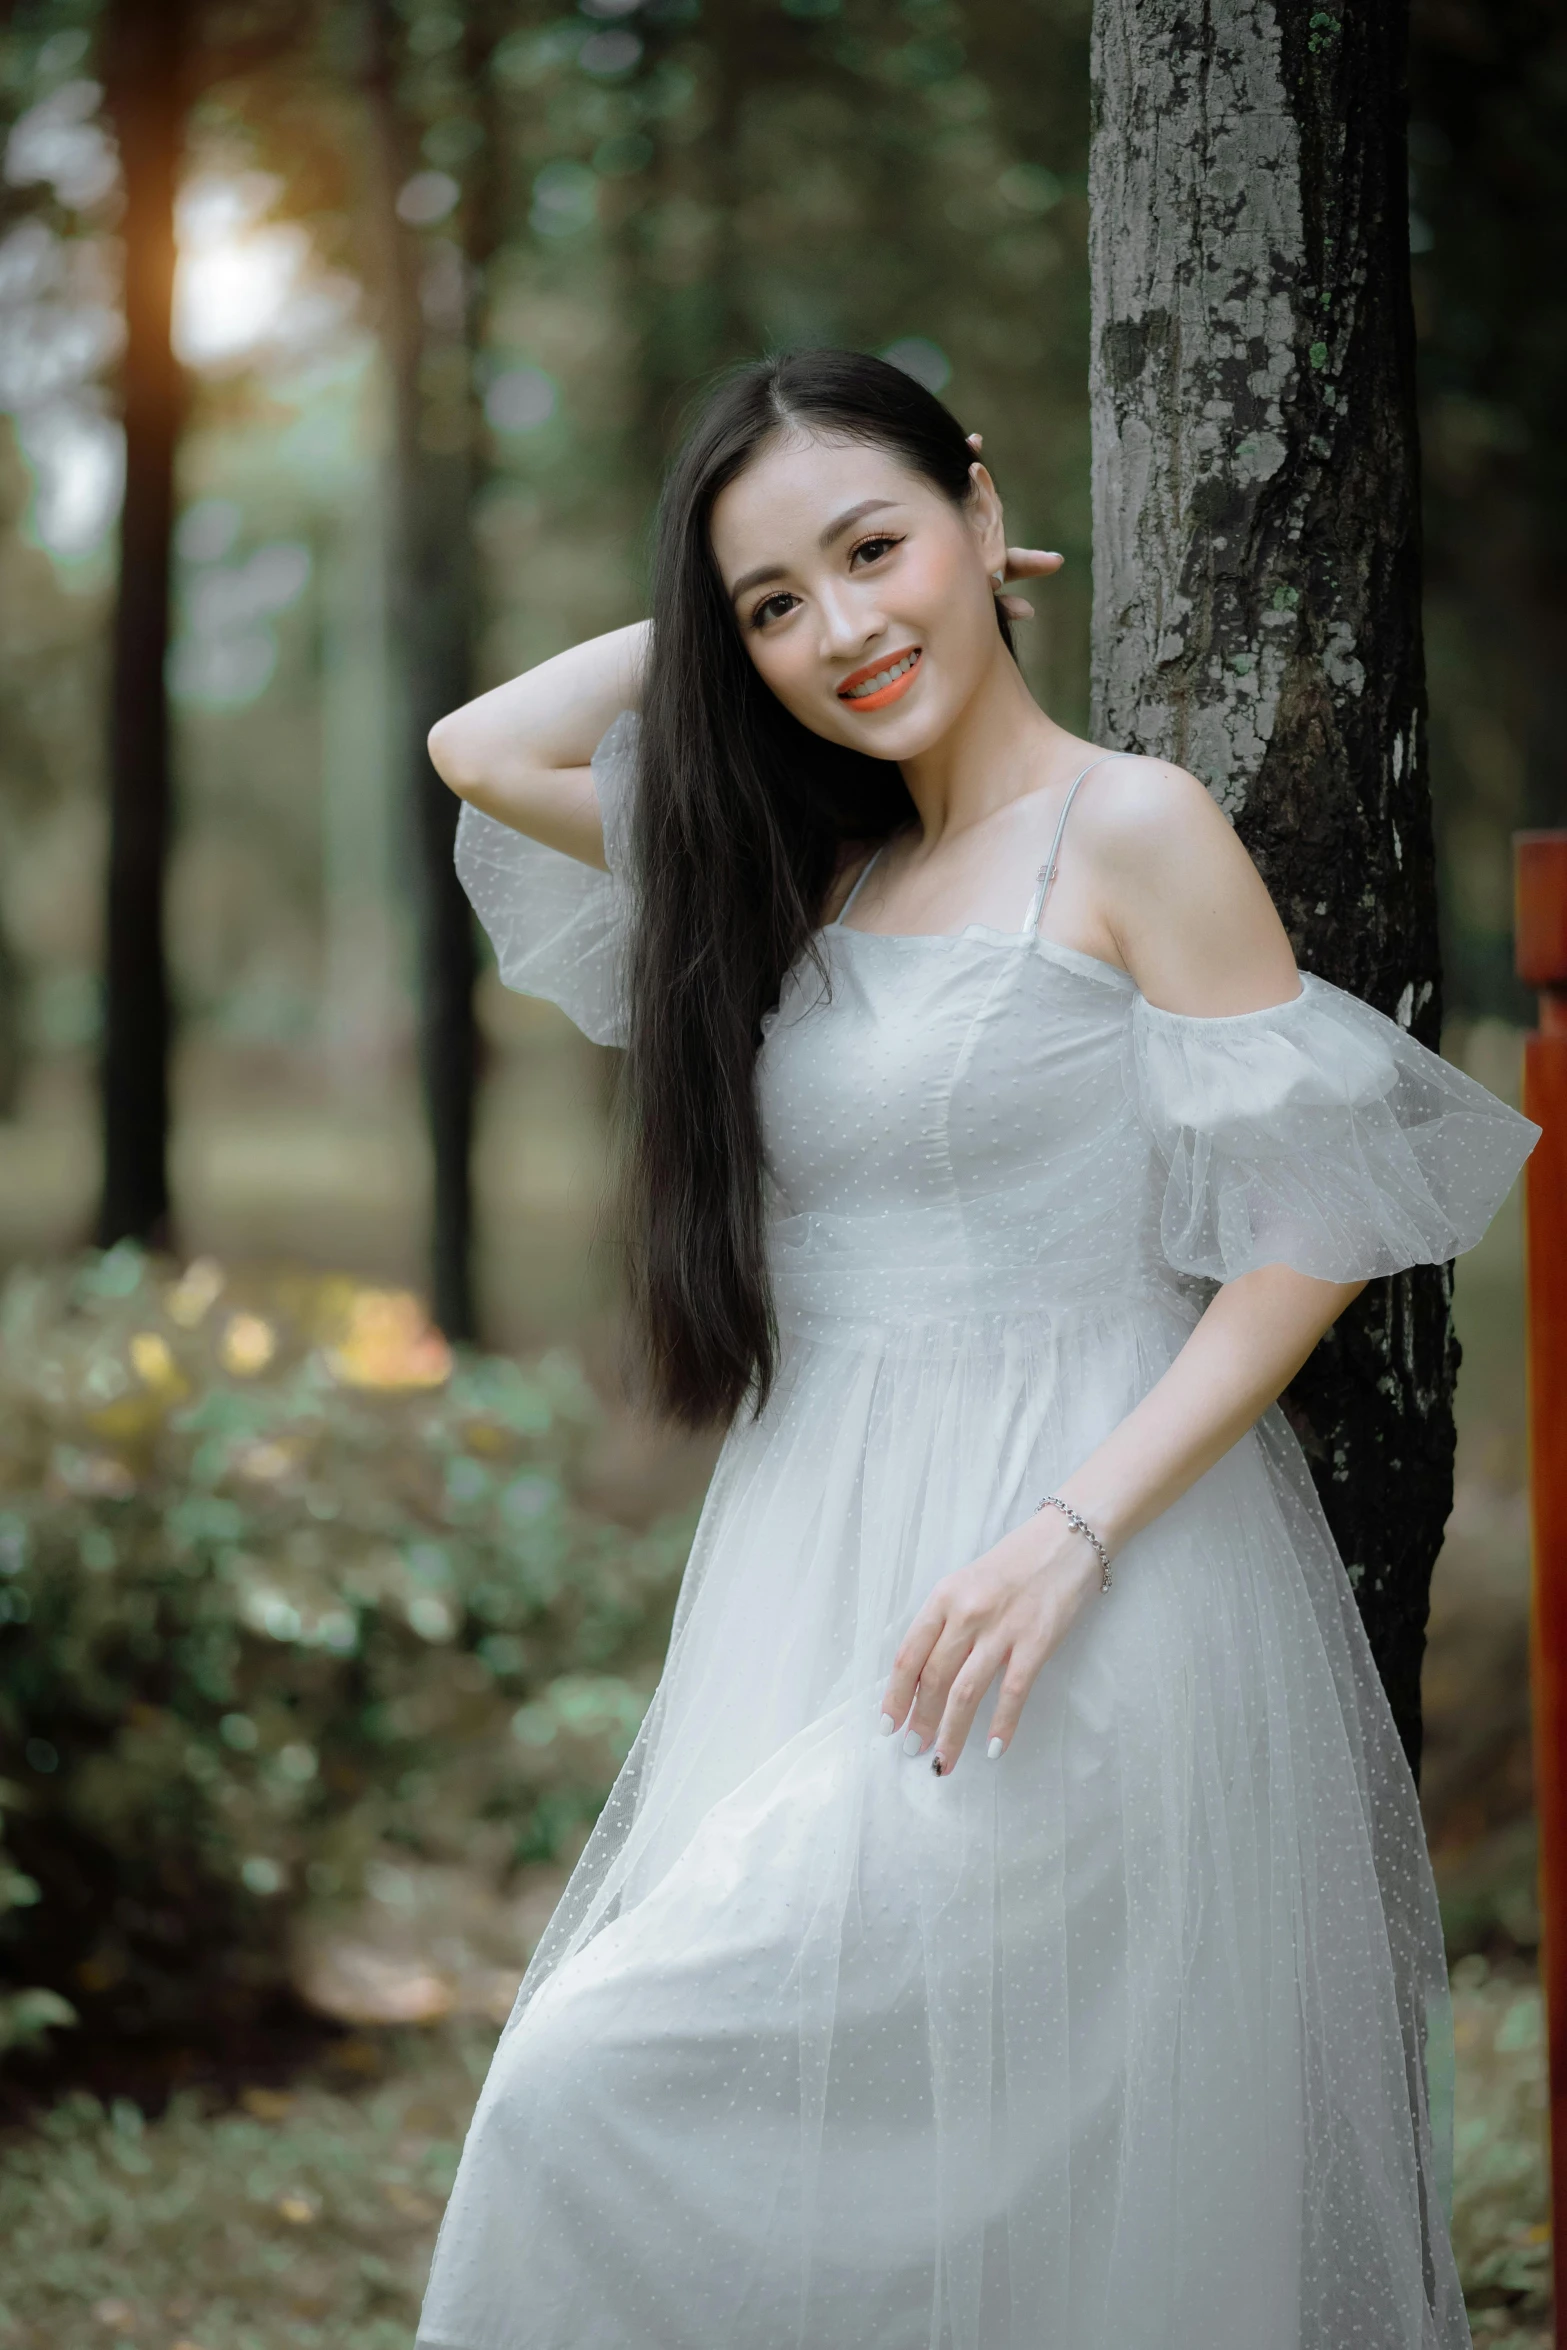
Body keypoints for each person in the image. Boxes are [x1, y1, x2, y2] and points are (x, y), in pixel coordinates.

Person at [414, 349, 1536, 2350]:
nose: (844, 627)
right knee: (775, 2132)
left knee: (606, 2077)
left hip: (1073, 1587)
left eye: (877, 547)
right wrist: (735, 609)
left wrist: (1068, 1532)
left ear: (977, 512)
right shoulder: (804, 859)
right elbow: (484, 743)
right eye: (774, 603)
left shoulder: (1130, 830)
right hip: (816, 1563)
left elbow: (1311, 1230)